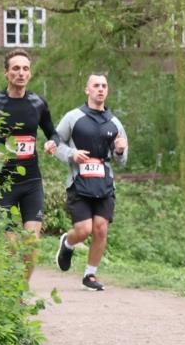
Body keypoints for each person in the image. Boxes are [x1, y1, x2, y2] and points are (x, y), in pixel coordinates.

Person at [0, 49, 59, 282]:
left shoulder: (37, 102)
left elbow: (53, 132)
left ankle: (21, 289)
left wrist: (53, 142)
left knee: (31, 244)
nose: (21, 73)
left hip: (31, 182)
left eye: (25, 69)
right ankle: (10, 287)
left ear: (29, 74)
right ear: (6, 73)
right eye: (15, 69)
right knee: (11, 247)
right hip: (4, 184)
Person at [53, 73, 128, 291]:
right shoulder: (73, 117)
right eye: (96, 85)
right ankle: (68, 242)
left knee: (101, 229)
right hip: (79, 182)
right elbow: (55, 143)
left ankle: (90, 275)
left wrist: (120, 151)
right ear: (87, 90)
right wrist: (71, 154)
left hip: (104, 183)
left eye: (104, 85)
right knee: (84, 229)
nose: (100, 89)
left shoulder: (114, 122)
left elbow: (121, 159)